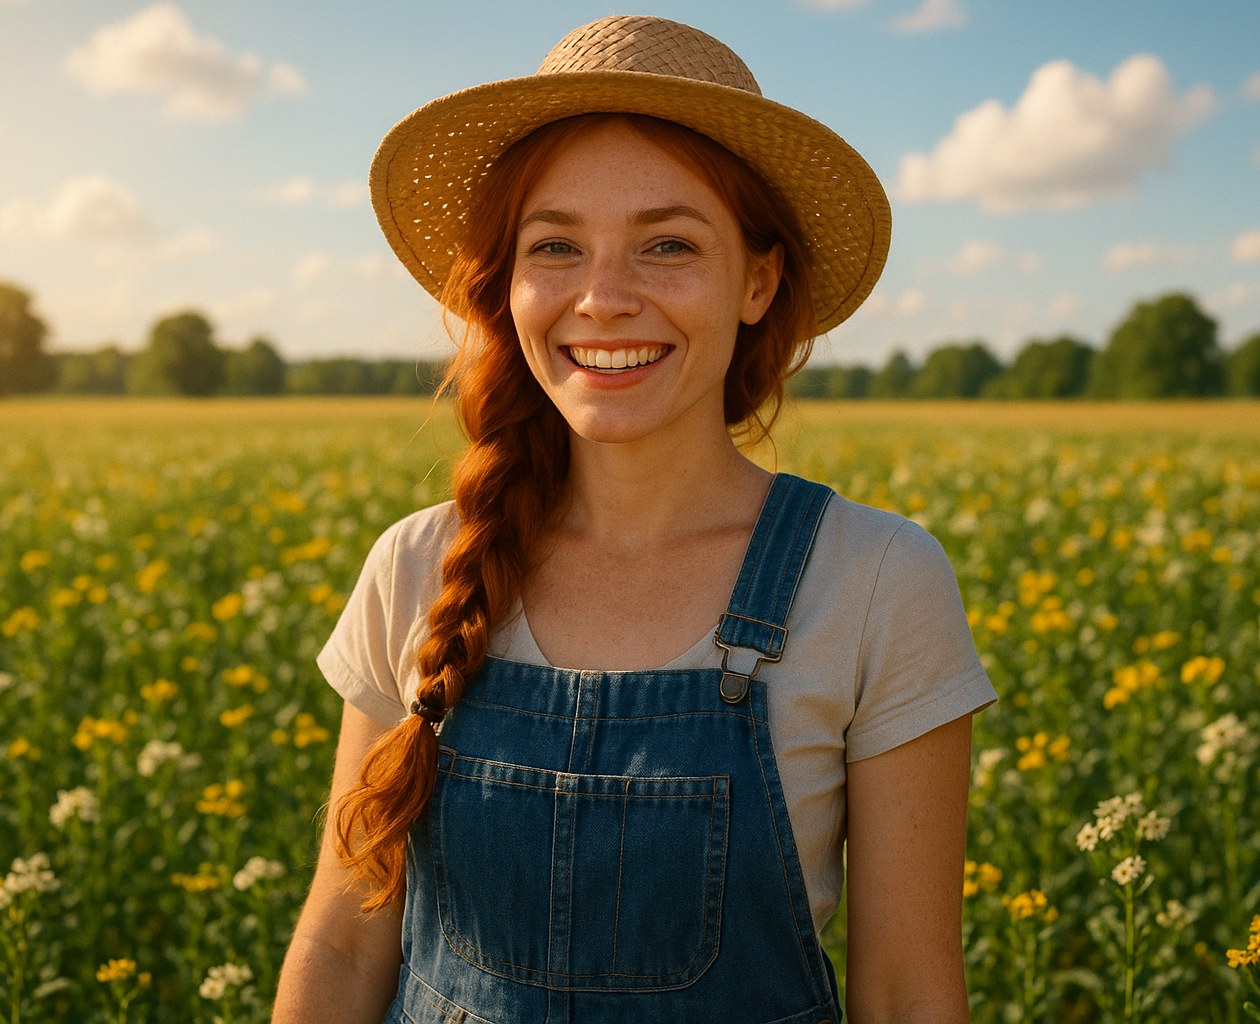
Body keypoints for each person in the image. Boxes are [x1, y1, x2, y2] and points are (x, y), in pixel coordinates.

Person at [273, 15, 996, 1024]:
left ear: (757, 279)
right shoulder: (417, 564)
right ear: (508, 284)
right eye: (556, 245)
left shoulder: (878, 579)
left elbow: (904, 995)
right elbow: (342, 941)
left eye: (667, 244)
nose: (604, 298)